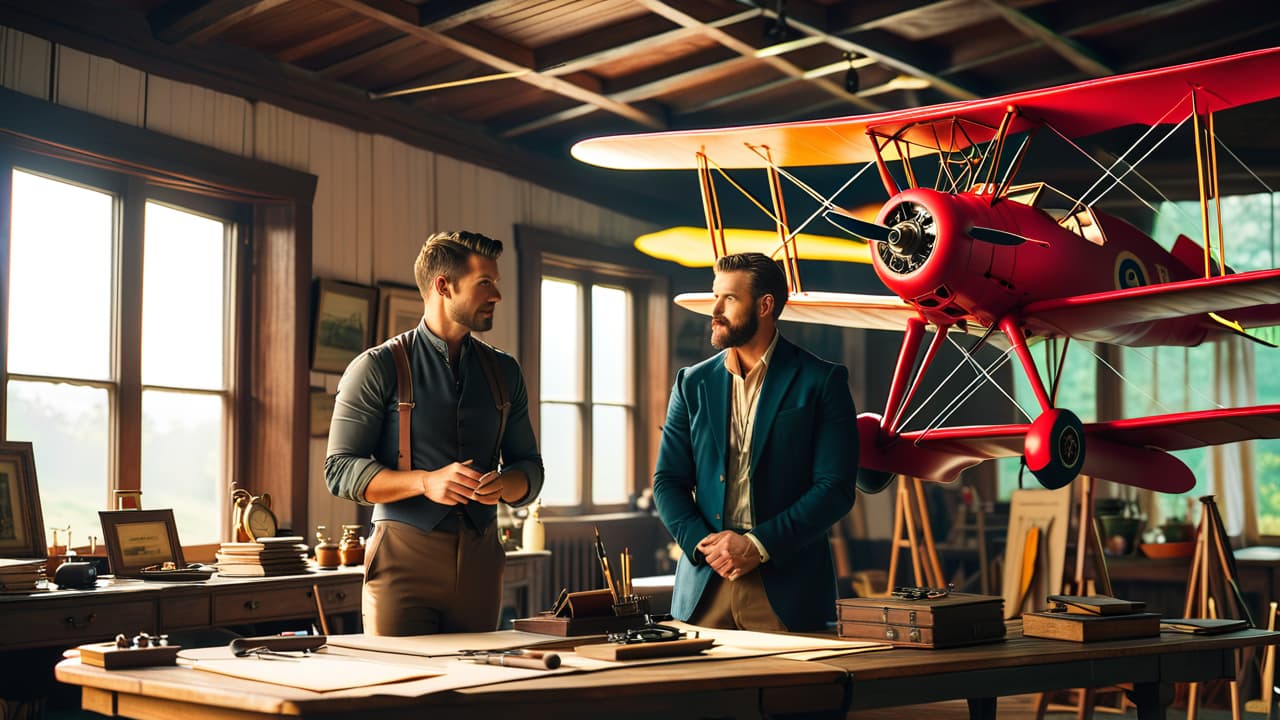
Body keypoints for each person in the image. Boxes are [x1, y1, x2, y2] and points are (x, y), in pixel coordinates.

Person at [326, 230, 543, 636]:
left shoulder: (505, 371)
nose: (497, 295)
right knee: (399, 691)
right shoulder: (376, 367)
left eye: (495, 283)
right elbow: (338, 471)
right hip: (402, 562)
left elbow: (530, 467)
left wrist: (506, 485)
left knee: (476, 691)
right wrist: (425, 482)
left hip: (483, 560)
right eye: (485, 283)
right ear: (443, 286)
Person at [653, 252, 858, 632]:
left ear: (765, 306)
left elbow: (835, 489)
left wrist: (757, 545)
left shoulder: (822, 381)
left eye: (729, 298)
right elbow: (667, 481)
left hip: (786, 587)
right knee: (700, 693)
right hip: (703, 586)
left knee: (792, 693)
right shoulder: (691, 383)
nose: (714, 309)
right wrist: (704, 545)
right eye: (715, 296)